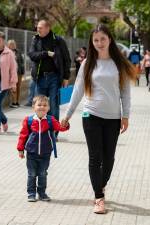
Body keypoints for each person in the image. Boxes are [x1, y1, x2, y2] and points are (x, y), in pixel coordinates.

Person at [61, 24, 137, 214]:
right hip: (91, 115)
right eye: (96, 40)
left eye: (103, 39)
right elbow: (78, 90)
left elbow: (125, 93)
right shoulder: (88, 63)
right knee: (95, 157)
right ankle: (99, 198)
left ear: (109, 39)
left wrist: (125, 115)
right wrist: (68, 114)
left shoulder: (119, 63)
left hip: (113, 118)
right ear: (92, 42)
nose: (99, 43)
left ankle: (100, 185)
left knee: (109, 158)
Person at [17, 95, 69, 202]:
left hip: (45, 154)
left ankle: (42, 193)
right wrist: (20, 149)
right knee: (31, 174)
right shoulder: (29, 120)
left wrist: (65, 124)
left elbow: (60, 127)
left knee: (42, 174)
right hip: (31, 153)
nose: (42, 107)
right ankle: (31, 193)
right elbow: (23, 135)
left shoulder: (51, 120)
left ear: (48, 108)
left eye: (45, 105)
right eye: (39, 105)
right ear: (33, 107)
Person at [28, 19, 71, 128]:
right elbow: (32, 55)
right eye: (37, 28)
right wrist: (46, 53)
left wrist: (66, 77)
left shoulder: (58, 40)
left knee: (53, 105)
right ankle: (42, 129)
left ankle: (53, 131)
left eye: (40, 28)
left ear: (48, 28)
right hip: (40, 77)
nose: (38, 30)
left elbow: (67, 59)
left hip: (54, 77)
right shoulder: (35, 40)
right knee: (40, 106)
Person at [7, 40, 25, 108]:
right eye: (11, 44)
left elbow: (22, 62)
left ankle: (17, 101)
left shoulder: (18, 52)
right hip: (11, 73)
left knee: (18, 87)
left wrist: (22, 71)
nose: (13, 45)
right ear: (8, 45)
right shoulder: (7, 52)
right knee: (13, 87)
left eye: (14, 44)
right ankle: (13, 102)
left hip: (19, 72)